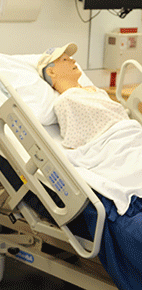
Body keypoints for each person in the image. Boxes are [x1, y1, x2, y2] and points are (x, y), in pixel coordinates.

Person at [37, 43, 142, 290]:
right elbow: (78, 142)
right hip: (114, 147)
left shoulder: (95, 92)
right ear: (51, 72)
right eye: (64, 59)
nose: (73, 61)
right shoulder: (66, 101)